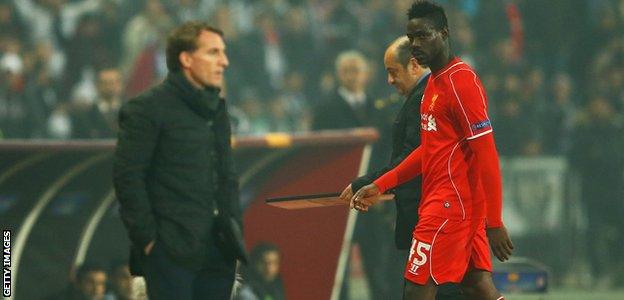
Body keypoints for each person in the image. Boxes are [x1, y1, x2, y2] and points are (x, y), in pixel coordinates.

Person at [351, 1, 513, 299]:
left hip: (449, 209)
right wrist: (381, 184)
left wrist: (495, 221)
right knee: (478, 286)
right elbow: (429, 150)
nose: (416, 44)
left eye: (424, 36)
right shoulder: (434, 85)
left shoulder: (462, 82)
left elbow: (487, 155)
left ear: (444, 33)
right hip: (455, 206)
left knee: (415, 291)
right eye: (411, 38)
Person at [113, 21, 241, 299]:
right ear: (186, 59)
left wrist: (233, 226)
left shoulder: (217, 109)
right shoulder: (146, 109)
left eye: (224, 52)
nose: (224, 61)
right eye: (213, 53)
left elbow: (227, 175)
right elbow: (128, 177)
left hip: (218, 252)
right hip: (169, 254)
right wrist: (149, 241)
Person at [340, 36, 464, 299]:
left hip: (433, 215)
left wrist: (369, 183)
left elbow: (413, 158)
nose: (389, 80)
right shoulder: (431, 93)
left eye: (393, 72)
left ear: (414, 65)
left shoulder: (427, 99)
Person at [311, 50, 372, 130]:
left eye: (355, 70)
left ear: (366, 74)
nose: (350, 76)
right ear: (337, 74)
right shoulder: (325, 108)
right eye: (345, 71)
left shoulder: (377, 106)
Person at [70, 67, 124, 139]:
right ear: (97, 86)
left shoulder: (131, 113)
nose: (110, 87)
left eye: (113, 83)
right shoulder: (84, 116)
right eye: (105, 83)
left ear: (121, 85)